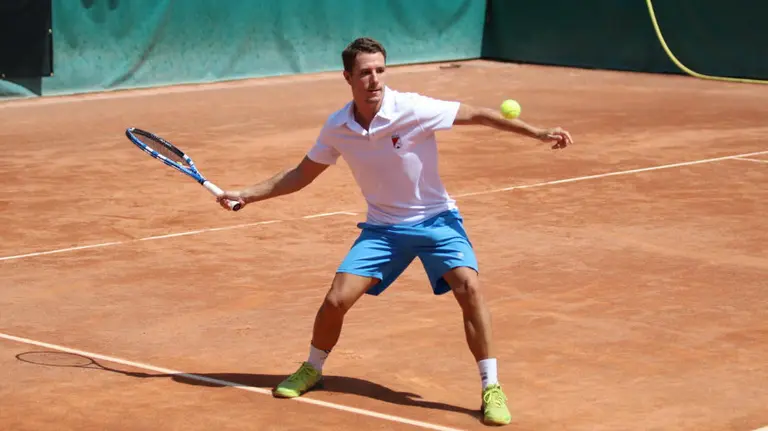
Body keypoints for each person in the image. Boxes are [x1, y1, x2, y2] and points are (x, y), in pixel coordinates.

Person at [216, 37, 573, 426]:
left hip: (437, 220)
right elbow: (302, 174)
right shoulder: (338, 126)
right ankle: (313, 368)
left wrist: (536, 132)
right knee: (336, 300)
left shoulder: (413, 109)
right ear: (348, 77)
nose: (375, 80)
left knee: (469, 288)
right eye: (365, 73)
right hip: (383, 229)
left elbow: (479, 115)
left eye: (380, 71)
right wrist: (247, 195)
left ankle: (491, 387)